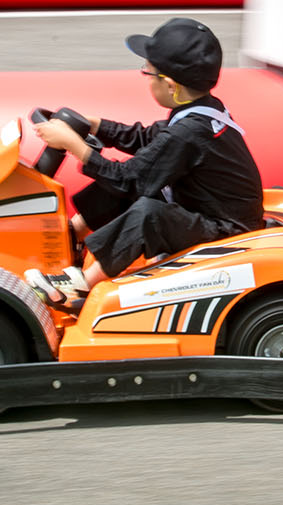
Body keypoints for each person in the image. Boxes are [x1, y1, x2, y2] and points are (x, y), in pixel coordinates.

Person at [26, 17, 264, 309]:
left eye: (147, 72)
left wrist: (73, 145)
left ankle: (80, 286)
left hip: (227, 231)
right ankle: (70, 237)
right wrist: (91, 124)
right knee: (127, 184)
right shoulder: (201, 112)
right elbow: (144, 137)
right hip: (208, 213)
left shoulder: (190, 131)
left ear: (171, 85)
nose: (146, 76)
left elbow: (128, 179)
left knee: (146, 206)